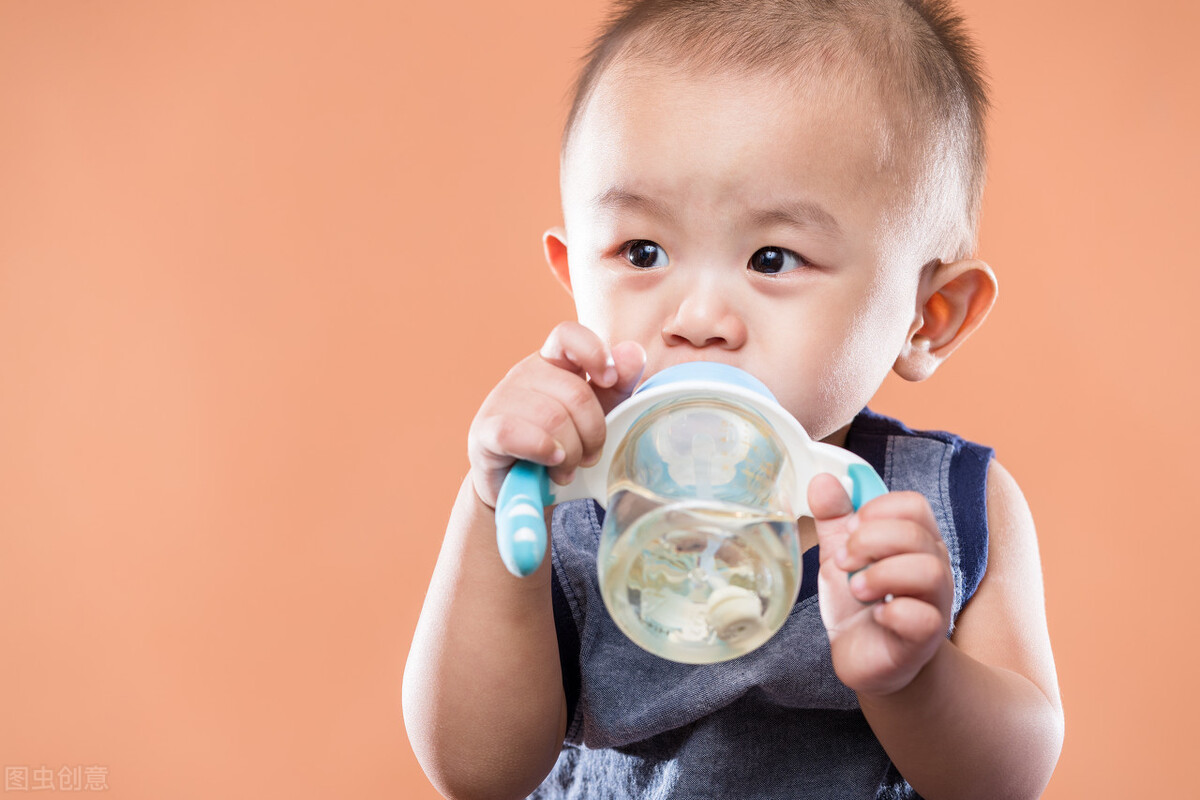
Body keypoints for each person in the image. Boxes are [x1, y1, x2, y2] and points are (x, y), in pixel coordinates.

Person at [403, 0, 1064, 797]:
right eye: (642, 251)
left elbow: (1010, 780)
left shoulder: (943, 508)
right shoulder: (557, 502)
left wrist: (915, 679)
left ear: (928, 316)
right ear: (573, 273)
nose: (698, 318)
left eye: (773, 258)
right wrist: (490, 513)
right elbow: (476, 773)